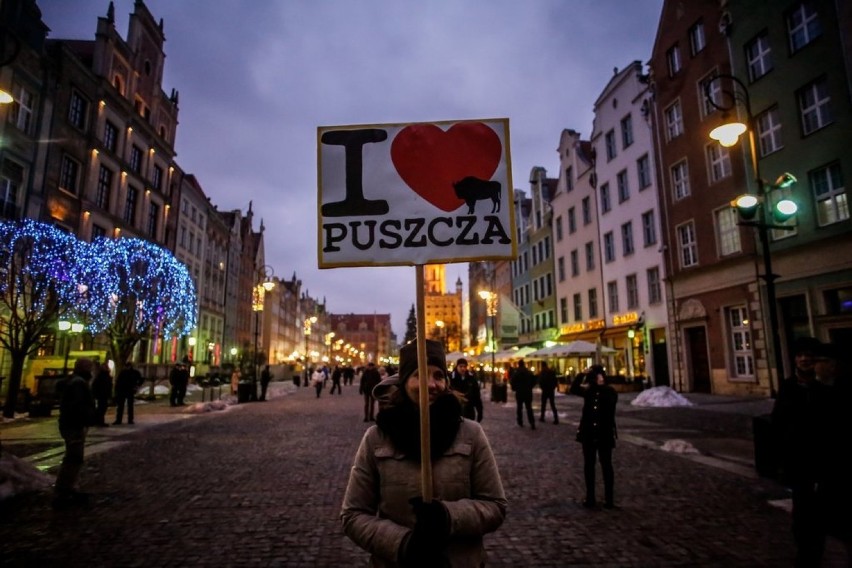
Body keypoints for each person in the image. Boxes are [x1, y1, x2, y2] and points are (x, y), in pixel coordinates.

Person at [341, 339, 507, 566]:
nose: (431, 384)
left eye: (439, 376)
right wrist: (403, 544)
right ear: (404, 381)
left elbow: (495, 506)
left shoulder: (470, 433)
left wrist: (449, 517)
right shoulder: (377, 438)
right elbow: (353, 515)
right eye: (419, 374)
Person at [772, 338, 850, 566]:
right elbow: (779, 424)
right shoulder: (788, 387)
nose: (805, 359)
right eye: (800, 355)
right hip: (800, 464)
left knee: (834, 515)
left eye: (810, 355)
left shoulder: (829, 389)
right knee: (804, 517)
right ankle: (808, 556)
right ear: (795, 359)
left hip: (829, 464)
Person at [570, 365, 618, 509]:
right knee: (589, 466)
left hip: (604, 434)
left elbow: (610, 408)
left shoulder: (610, 392)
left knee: (607, 466)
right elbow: (573, 388)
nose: (600, 379)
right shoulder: (589, 391)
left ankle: (609, 499)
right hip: (589, 433)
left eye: (601, 376)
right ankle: (590, 497)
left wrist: (598, 388)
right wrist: (582, 373)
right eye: (597, 376)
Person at [53, 357, 97, 509]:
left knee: (74, 457)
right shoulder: (78, 383)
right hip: (74, 425)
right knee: (74, 458)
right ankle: (64, 490)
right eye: (89, 366)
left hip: (71, 424)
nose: (91, 369)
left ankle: (67, 488)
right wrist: (85, 418)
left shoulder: (75, 381)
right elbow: (77, 406)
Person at [113, 361, 142, 425]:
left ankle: (120, 420)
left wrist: (137, 386)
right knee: (128, 406)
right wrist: (137, 386)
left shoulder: (124, 372)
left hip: (124, 390)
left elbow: (118, 382)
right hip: (128, 390)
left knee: (122, 406)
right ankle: (129, 419)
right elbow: (141, 379)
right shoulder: (134, 372)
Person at [510, 359, 536, 429]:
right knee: (529, 408)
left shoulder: (516, 372)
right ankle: (532, 422)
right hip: (528, 392)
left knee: (519, 408)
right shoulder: (528, 372)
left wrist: (514, 388)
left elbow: (512, 382)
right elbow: (534, 380)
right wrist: (530, 387)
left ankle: (520, 422)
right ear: (524, 364)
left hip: (520, 392)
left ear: (519, 364)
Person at [90, 362, 112, 427]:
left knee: (102, 408)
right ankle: (99, 421)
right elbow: (96, 386)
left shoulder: (105, 376)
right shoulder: (101, 376)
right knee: (101, 408)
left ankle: (100, 421)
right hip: (102, 395)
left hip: (103, 394)